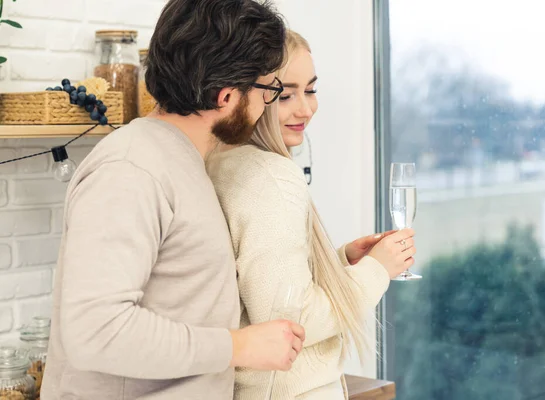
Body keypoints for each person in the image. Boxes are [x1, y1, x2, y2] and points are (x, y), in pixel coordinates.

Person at [41, 1, 306, 399]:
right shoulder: (132, 169)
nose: (268, 106)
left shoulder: (177, 159)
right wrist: (239, 346)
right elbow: (96, 330)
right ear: (227, 96)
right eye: (269, 89)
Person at [207, 30, 417, 399]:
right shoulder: (269, 175)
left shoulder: (223, 162)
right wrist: (377, 270)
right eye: (286, 95)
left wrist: (340, 264)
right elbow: (292, 322)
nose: (305, 108)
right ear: (251, 95)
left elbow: (256, 291)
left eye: (311, 90)